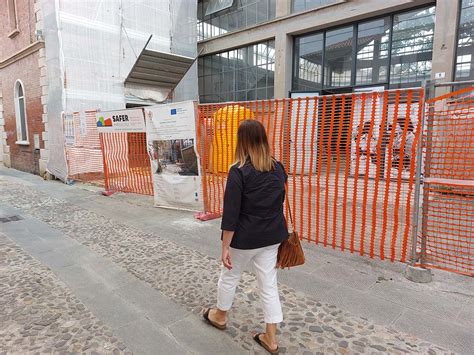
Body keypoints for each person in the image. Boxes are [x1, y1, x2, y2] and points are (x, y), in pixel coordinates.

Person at [203, 119, 288, 354]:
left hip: (245, 238)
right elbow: (277, 204)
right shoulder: (278, 168)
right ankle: (270, 339)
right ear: (264, 139)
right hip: (272, 237)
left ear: (241, 141)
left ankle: (220, 316)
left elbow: (231, 213)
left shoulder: (238, 171)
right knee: (269, 286)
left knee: (229, 277)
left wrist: (225, 246)